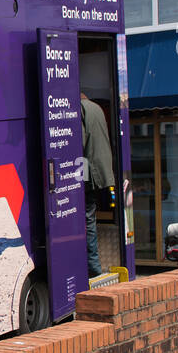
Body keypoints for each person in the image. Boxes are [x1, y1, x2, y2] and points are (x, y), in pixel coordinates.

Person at [80, 92, 114, 276]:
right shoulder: (97, 108)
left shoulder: (80, 109)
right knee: (90, 216)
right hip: (102, 169)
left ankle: (93, 268)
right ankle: (93, 265)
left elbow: (79, 142)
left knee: (87, 218)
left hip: (89, 171)